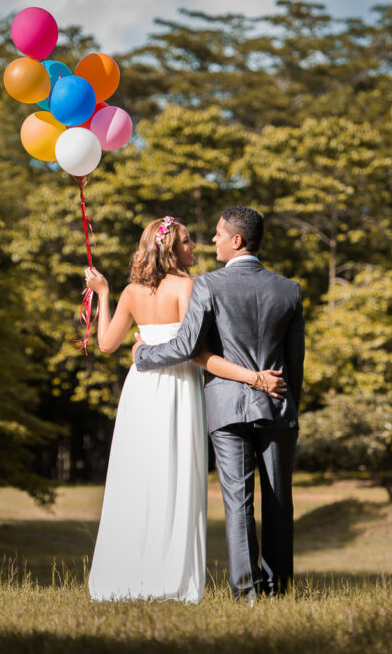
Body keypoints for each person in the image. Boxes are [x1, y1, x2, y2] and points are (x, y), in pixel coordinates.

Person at [84, 215, 286, 603]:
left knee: (138, 477)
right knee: (176, 474)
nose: (197, 246)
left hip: (140, 390)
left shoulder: (129, 292)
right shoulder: (189, 287)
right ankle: (169, 578)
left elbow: (107, 344)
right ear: (172, 249)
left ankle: (126, 574)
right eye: (189, 242)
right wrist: (254, 377)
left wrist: (104, 293)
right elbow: (199, 355)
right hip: (178, 390)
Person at [133, 206, 304, 600]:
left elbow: (186, 347)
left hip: (227, 411)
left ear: (237, 241)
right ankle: (279, 592)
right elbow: (295, 363)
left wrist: (143, 354)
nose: (213, 240)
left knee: (238, 504)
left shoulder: (209, 285)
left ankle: (246, 593)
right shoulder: (289, 289)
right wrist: (290, 406)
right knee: (279, 504)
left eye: (217, 234)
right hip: (277, 408)